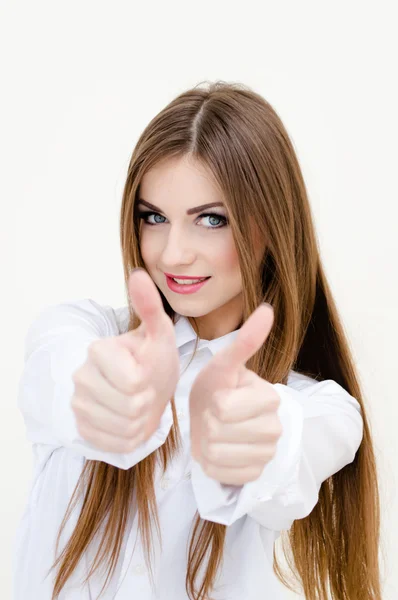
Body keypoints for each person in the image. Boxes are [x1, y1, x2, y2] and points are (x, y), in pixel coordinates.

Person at [13, 81, 381, 600]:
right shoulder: (81, 333)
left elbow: (291, 451)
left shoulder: (320, 409)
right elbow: (60, 372)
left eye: (212, 219)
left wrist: (247, 434)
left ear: (271, 226)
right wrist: (112, 397)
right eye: (154, 218)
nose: (173, 253)